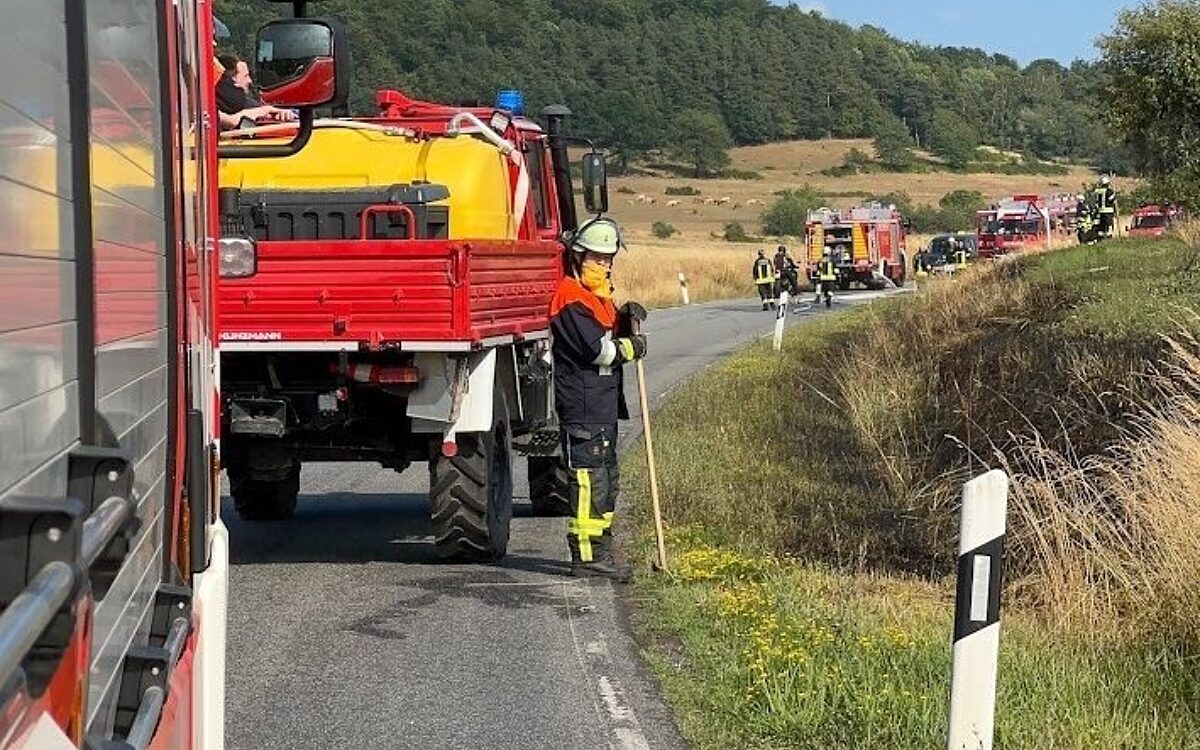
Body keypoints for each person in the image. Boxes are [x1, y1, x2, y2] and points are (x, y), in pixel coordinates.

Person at [549, 217, 646, 582]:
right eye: (596, 257)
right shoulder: (570, 298)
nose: (602, 264)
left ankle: (601, 550)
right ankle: (587, 558)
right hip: (583, 406)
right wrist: (631, 347)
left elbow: (606, 333)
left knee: (607, 481)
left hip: (602, 406)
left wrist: (624, 319)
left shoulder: (598, 296)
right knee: (589, 483)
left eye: (607, 259)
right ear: (578, 257)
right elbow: (596, 351)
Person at [215, 53, 296, 130]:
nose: (249, 81)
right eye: (245, 76)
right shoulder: (227, 102)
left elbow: (267, 113)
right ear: (230, 80)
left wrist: (281, 113)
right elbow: (231, 121)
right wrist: (266, 110)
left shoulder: (244, 102)